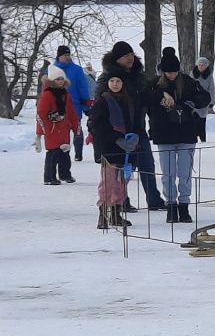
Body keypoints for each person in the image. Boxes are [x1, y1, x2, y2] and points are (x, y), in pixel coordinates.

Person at [96, 41, 165, 211]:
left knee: (147, 163)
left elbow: (144, 97)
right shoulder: (108, 78)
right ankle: (120, 201)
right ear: (117, 58)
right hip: (117, 132)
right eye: (126, 55)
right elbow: (101, 106)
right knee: (121, 168)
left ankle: (153, 199)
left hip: (138, 127)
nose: (130, 58)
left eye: (132, 55)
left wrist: (161, 95)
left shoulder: (138, 75)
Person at [144, 48, 211, 223]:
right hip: (164, 134)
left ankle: (184, 206)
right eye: (168, 72)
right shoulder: (154, 84)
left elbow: (205, 97)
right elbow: (143, 98)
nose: (172, 75)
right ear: (163, 71)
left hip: (186, 134)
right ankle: (171, 206)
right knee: (168, 174)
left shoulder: (189, 82)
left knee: (185, 173)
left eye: (174, 71)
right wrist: (161, 94)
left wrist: (191, 103)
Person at [89, 71, 140, 230]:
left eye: (118, 80)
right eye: (112, 80)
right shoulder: (102, 102)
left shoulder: (129, 102)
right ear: (107, 83)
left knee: (121, 183)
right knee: (108, 182)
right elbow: (97, 125)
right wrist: (117, 138)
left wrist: (135, 138)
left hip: (126, 149)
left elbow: (134, 123)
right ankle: (103, 213)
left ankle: (117, 213)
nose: (115, 84)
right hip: (109, 147)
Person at [34, 65, 80, 185]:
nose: (60, 81)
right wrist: (44, 129)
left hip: (64, 129)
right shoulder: (47, 95)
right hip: (52, 129)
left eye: (61, 79)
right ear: (52, 80)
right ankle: (49, 177)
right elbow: (41, 113)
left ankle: (65, 174)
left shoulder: (65, 94)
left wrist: (76, 127)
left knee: (65, 153)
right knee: (53, 153)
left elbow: (71, 112)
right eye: (57, 79)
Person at [47, 45, 93, 162]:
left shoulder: (76, 69)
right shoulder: (52, 69)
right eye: (64, 55)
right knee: (61, 129)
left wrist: (85, 104)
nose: (67, 57)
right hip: (57, 105)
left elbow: (82, 86)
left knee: (76, 127)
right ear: (59, 56)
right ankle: (62, 152)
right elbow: (46, 87)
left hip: (74, 103)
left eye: (68, 55)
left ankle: (78, 152)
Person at [191, 56, 215, 142]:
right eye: (199, 64)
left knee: (202, 121)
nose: (201, 66)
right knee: (193, 121)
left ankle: (203, 139)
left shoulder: (209, 75)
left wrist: (211, 101)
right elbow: (188, 87)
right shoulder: (192, 73)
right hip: (194, 101)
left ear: (206, 66)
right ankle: (193, 137)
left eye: (203, 65)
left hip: (204, 101)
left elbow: (211, 89)